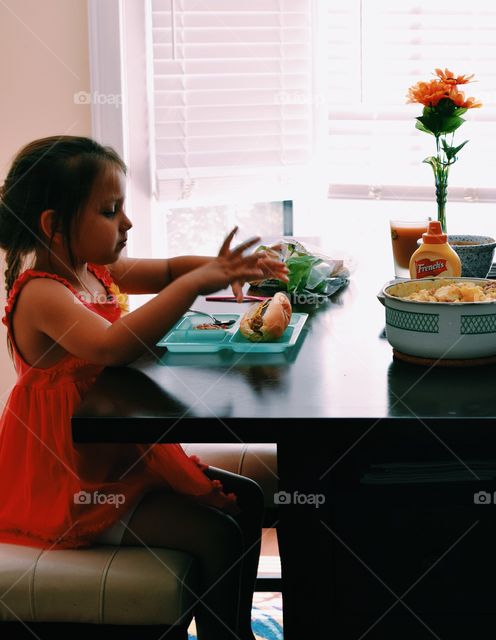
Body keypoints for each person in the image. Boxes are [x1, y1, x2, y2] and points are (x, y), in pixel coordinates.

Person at [0, 136, 287, 640]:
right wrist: (199, 283)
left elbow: (174, 269)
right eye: (111, 211)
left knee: (243, 500)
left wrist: (231, 268)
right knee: (216, 533)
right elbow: (113, 345)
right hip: (72, 484)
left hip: (114, 459)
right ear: (53, 225)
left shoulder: (94, 272)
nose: (127, 223)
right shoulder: (43, 293)